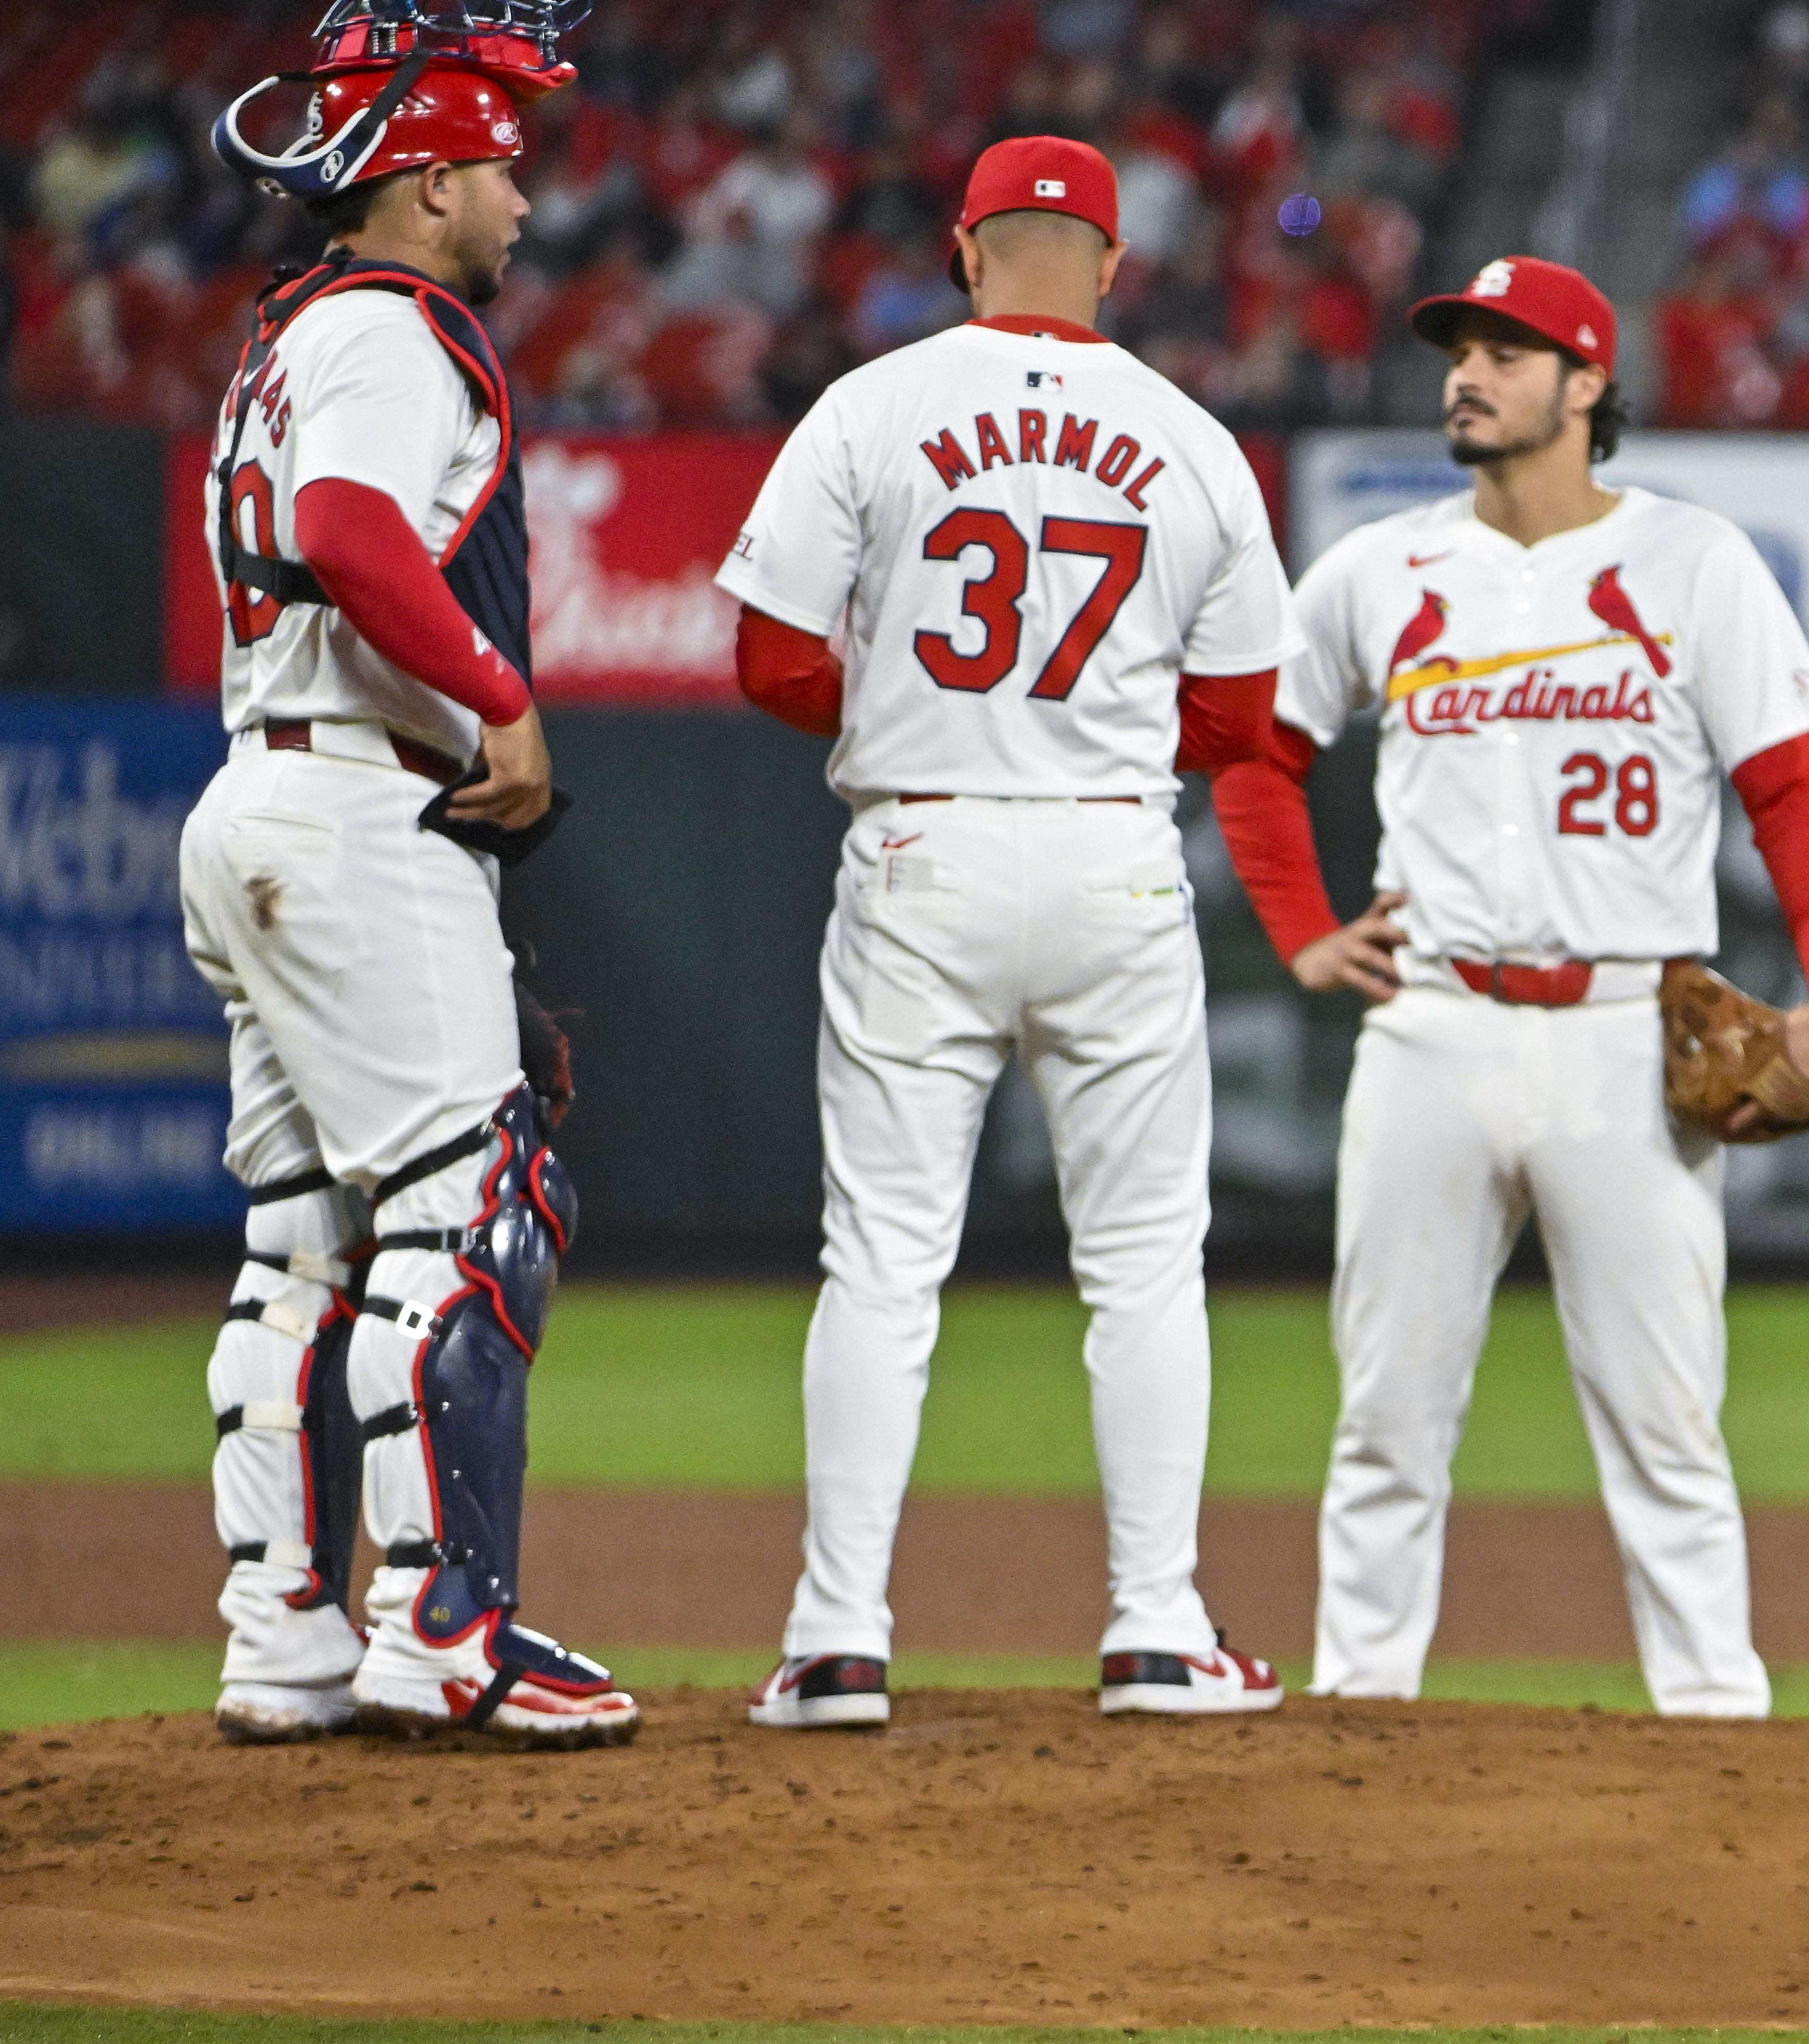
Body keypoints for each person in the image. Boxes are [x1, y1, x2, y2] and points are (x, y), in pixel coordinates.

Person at [1209, 256, 1809, 1721]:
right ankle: (1363, 1709)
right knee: (1387, 1413)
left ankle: (1714, 1723)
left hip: (1625, 1038)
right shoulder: (1382, 570)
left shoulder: (1693, 564)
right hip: (1432, 1026)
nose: (1469, 373)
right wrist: (1303, 929)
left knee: (1666, 1422)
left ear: (1586, 386)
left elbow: (1793, 788)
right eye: (1460, 348)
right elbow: (1258, 753)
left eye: (1508, 353)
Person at [717, 135, 1300, 1731]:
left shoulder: (871, 404)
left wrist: (919, 711)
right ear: (1115, 264)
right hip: (1111, 856)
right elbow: (1244, 715)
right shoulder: (1191, 440)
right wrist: (1084, 743)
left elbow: (770, 661)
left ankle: (837, 1638)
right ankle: (1157, 1628)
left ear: (966, 249)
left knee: (885, 1264)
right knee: (1142, 1267)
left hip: (923, 847)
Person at [187, 2, 633, 1748]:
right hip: (365, 805)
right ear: (430, 180)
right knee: (479, 1209)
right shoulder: (393, 325)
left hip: (264, 800)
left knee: (300, 1248)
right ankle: (447, 1623)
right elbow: (349, 531)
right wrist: (501, 698)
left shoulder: (291, 338)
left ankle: (282, 1634)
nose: (522, 197)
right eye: (501, 164)